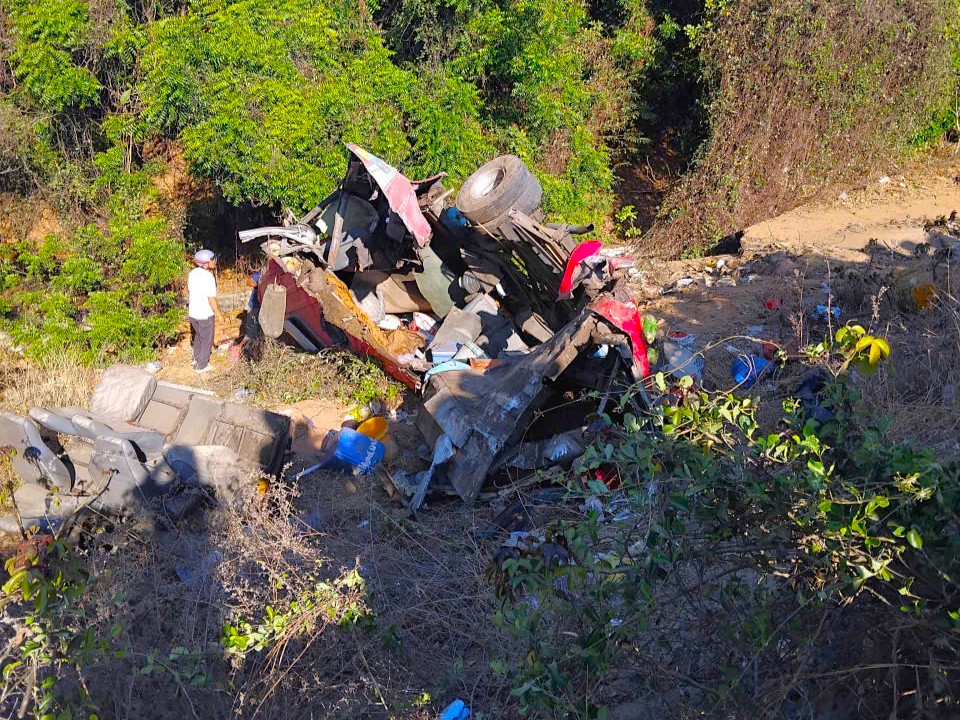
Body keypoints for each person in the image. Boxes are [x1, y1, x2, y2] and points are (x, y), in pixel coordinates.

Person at [187, 249, 224, 373]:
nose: (214, 262)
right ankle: (201, 366)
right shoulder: (208, 277)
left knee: (198, 336)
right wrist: (219, 314)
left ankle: (196, 359)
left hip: (193, 313)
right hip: (205, 314)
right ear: (205, 263)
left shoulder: (192, 273)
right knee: (207, 340)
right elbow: (211, 299)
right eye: (212, 260)